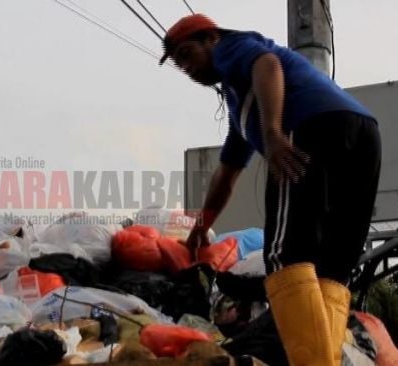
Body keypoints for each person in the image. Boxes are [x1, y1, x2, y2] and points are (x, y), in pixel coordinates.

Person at [160, 14, 382, 365]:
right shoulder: (240, 105)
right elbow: (227, 173)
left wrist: (274, 133)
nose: (187, 67)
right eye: (179, 64)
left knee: (285, 257)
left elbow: (267, 65)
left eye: (188, 54)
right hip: (363, 134)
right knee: (332, 266)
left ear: (211, 39)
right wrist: (201, 226)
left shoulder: (232, 48)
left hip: (312, 126)